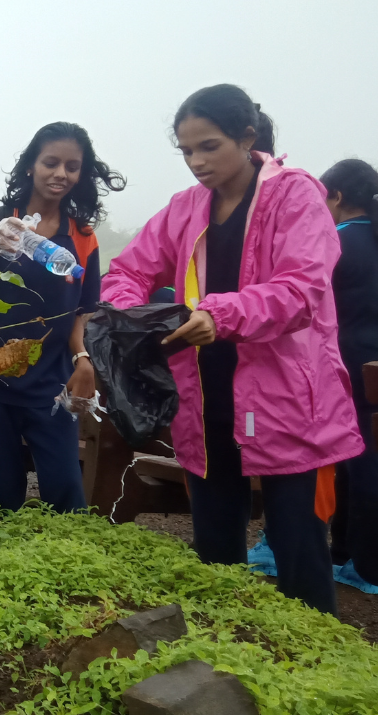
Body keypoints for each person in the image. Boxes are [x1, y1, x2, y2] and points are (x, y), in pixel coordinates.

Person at [102, 84, 364, 615]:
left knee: (298, 546)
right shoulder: (185, 208)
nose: (197, 162)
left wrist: (217, 316)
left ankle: (317, 668)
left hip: (286, 397)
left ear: (247, 138)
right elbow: (127, 270)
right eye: (186, 151)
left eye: (210, 146)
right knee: (215, 544)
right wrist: (137, 314)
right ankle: (221, 652)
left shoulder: (295, 196)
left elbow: (302, 291)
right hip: (205, 396)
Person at [0, 122, 124, 513]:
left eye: (71, 166)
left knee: (65, 488)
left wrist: (82, 359)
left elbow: (82, 309)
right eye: (51, 162)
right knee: (2, 494)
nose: (60, 174)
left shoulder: (82, 237)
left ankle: (68, 568)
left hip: (49, 380)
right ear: (31, 166)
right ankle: (0, 570)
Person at [321, 158, 378, 586]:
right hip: (374, 366)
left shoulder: (336, 242)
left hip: (347, 367)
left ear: (337, 197)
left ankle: (363, 563)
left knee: (357, 462)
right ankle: (344, 552)